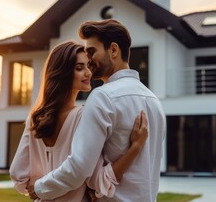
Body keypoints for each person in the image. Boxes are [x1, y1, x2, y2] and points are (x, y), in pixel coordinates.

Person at [29, 19, 166, 201]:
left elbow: (79, 168)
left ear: (113, 50)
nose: (89, 60)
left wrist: (40, 188)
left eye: (92, 52)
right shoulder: (155, 102)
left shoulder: (103, 97)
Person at [9, 41, 149, 201]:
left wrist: (40, 187)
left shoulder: (35, 118)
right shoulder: (83, 116)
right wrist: (135, 147)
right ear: (63, 73)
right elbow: (99, 180)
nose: (89, 73)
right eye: (79, 68)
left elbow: (17, 173)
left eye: (88, 66)